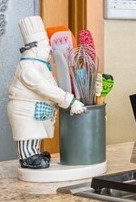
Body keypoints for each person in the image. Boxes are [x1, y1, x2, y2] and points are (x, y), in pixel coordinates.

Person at [6, 15, 84, 169]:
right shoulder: (27, 68)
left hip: (35, 109)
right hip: (24, 110)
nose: (50, 49)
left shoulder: (39, 65)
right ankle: (27, 158)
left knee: (35, 133)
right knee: (27, 134)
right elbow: (45, 88)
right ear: (34, 48)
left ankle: (34, 154)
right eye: (46, 46)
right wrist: (70, 101)